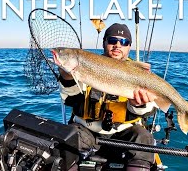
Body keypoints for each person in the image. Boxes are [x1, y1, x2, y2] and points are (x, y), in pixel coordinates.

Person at [58, 23, 157, 171]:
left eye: (123, 42)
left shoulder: (139, 73)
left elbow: (149, 110)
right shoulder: (85, 63)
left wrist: (138, 104)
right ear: (104, 42)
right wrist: (67, 77)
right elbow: (71, 100)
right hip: (87, 130)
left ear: (129, 47)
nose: (117, 45)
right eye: (112, 41)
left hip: (123, 132)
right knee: (67, 137)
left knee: (144, 137)